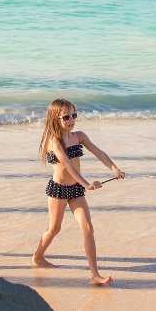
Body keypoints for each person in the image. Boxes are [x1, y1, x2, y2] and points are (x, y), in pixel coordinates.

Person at [32, 98, 124, 285]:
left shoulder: (79, 136)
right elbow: (67, 165)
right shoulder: (54, 141)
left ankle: (94, 274)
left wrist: (113, 168)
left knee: (88, 228)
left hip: (75, 190)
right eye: (66, 117)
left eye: (74, 115)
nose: (71, 120)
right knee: (54, 229)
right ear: (54, 119)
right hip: (58, 190)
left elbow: (99, 152)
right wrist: (86, 184)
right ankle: (38, 256)